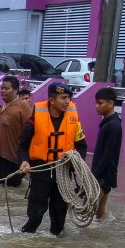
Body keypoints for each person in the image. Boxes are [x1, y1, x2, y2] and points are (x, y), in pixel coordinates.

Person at [17, 82, 88, 235]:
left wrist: (75, 162)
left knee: (59, 217)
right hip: (41, 171)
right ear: (52, 100)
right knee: (35, 214)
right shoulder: (37, 117)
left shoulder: (73, 118)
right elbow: (23, 145)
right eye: (63, 98)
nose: (67, 101)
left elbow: (82, 146)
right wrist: (24, 161)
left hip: (63, 172)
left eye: (69, 98)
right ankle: (26, 244)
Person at [0, 75, 34, 187]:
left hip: (11, 157)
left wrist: (26, 158)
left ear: (15, 90)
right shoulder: (2, 106)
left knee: (10, 189)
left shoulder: (23, 106)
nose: (3, 91)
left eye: (6, 88)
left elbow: (30, 131)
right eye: (2, 88)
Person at [90, 87, 122, 220]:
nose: (96, 106)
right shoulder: (108, 123)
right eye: (96, 103)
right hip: (104, 174)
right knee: (99, 213)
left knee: (89, 210)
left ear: (110, 103)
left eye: (100, 103)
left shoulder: (113, 125)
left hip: (103, 175)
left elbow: (107, 155)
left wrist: (95, 175)